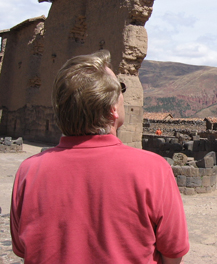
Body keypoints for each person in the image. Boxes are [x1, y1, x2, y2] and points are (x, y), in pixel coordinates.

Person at [10, 50, 189, 263]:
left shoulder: (29, 172)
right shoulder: (154, 170)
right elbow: (173, 253)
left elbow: (22, 248)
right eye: (121, 89)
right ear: (113, 108)